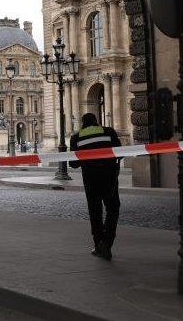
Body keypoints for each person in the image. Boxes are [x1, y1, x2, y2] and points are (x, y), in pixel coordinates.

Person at [69, 112, 122, 261]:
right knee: (113, 208)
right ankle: (107, 242)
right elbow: (120, 153)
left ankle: (99, 245)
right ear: (96, 122)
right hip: (109, 177)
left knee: (95, 211)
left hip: (91, 179)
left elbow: (73, 164)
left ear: (82, 124)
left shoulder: (76, 137)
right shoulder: (109, 132)